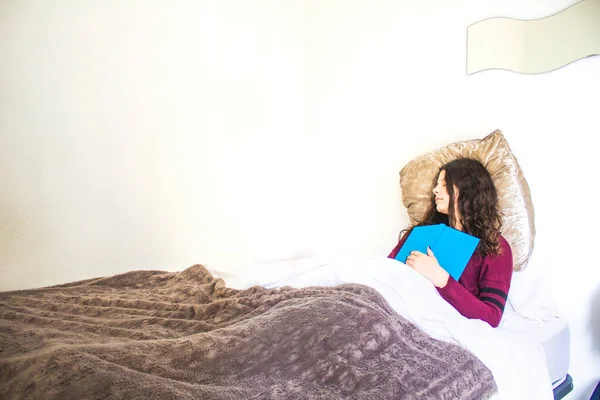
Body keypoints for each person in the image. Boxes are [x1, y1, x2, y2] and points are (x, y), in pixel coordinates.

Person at [388, 158, 513, 328]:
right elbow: (384, 274)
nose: (435, 190)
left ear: (468, 190)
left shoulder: (495, 246)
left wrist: (441, 278)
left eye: (444, 185)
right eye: (437, 184)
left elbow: (491, 317)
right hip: (396, 315)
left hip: (440, 327)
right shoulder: (421, 233)